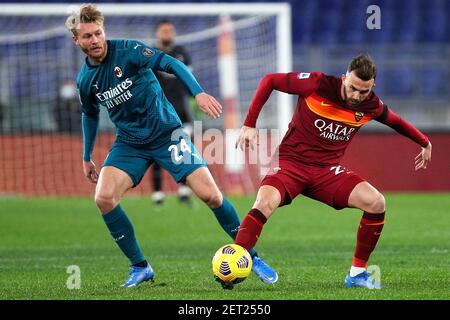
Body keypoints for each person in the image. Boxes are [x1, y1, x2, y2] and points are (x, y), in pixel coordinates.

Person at [65, 4, 277, 288]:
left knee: (212, 196)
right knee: (103, 198)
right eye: (87, 36)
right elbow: (89, 114)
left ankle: (251, 256)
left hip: (167, 133)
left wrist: (198, 93)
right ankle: (140, 267)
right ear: (76, 40)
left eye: (98, 33)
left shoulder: (128, 50)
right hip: (130, 142)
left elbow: (171, 63)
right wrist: (86, 155)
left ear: (104, 31)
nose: (95, 40)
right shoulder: (85, 80)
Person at [232, 55, 432, 289]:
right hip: (292, 165)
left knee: (376, 202)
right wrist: (249, 124)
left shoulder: (371, 106)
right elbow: (270, 80)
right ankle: (235, 260)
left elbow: (396, 122)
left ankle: (356, 275)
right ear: (345, 77)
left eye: (364, 91)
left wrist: (424, 142)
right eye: (353, 88)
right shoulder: (317, 84)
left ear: (372, 86)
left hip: (327, 173)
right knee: (264, 202)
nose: (357, 96)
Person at [151, 19, 195, 207]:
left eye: (170, 30)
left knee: (184, 150)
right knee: (157, 151)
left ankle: (184, 191)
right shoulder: (150, 55)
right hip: (158, 110)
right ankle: (158, 195)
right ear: (157, 34)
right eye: (164, 30)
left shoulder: (182, 53)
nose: (167, 33)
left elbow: (190, 79)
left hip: (181, 110)